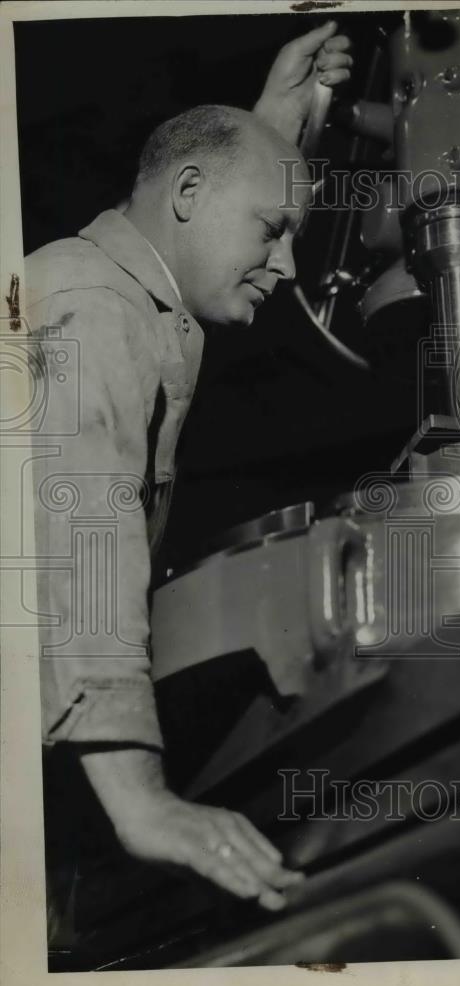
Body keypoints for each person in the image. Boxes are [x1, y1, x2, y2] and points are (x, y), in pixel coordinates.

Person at [27, 21, 352, 917]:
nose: (287, 266)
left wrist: (270, 128)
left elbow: (211, 187)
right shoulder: (93, 308)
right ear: (190, 193)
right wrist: (142, 802)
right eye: (273, 231)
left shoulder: (118, 287)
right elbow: (83, 532)